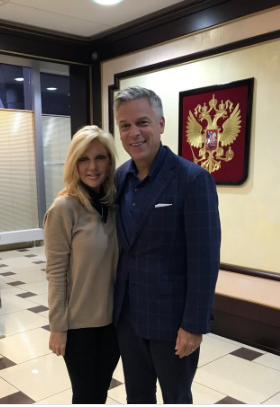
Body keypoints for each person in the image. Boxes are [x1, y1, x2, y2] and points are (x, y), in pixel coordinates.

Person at [113, 87, 221, 404]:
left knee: (176, 397)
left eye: (142, 122)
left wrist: (194, 326)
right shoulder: (120, 177)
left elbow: (204, 260)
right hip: (128, 316)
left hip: (172, 321)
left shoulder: (192, 179)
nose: (134, 132)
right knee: (137, 396)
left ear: (160, 124)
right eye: (125, 125)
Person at [44, 125, 120, 404]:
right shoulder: (63, 208)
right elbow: (55, 273)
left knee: (100, 393)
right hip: (79, 326)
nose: (93, 167)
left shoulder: (113, 205)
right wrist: (58, 327)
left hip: (113, 322)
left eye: (100, 157)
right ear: (73, 163)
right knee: (86, 396)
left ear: (109, 162)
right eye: (84, 159)